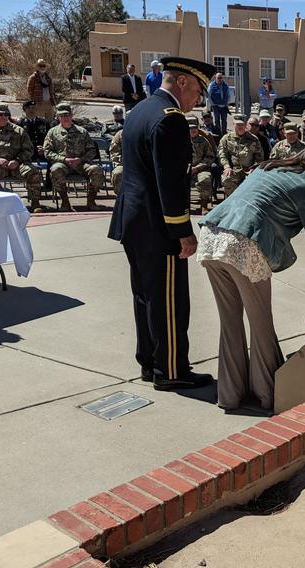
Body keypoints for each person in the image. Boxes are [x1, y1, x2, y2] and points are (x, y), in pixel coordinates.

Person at [197, 145, 305, 410]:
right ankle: (268, 395)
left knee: (229, 322)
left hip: (212, 238)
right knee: (261, 323)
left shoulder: (268, 168)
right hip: (246, 247)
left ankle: (229, 396)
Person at [107, 56, 217, 390]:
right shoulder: (170, 119)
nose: (198, 99)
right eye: (198, 90)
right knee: (170, 302)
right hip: (158, 227)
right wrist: (183, 232)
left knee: (145, 297)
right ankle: (171, 370)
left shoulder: (141, 110)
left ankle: (150, 362)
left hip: (134, 222)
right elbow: (170, 183)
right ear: (182, 82)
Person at [0, 103, 43, 211]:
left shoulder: (18, 131)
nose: (3, 117)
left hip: (17, 164)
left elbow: (29, 150)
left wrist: (17, 161)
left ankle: (35, 202)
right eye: (0, 114)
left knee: (33, 171)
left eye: (6, 114)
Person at [43, 103, 104, 211]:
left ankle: (91, 201)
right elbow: (47, 151)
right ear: (58, 117)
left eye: (67, 115)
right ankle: (65, 202)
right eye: (62, 116)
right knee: (55, 169)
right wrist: (64, 159)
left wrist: (81, 159)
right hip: (63, 163)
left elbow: (92, 150)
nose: (65, 118)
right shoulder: (52, 132)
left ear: (71, 116)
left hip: (81, 163)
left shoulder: (82, 131)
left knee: (96, 170)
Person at [218, 113, 264, 197]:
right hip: (233, 169)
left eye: (242, 124)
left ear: (246, 125)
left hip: (249, 170)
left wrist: (254, 168)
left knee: (253, 183)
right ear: (233, 124)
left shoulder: (254, 139)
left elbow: (259, 158)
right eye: (238, 124)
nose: (240, 127)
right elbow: (222, 154)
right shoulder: (226, 139)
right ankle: (230, 202)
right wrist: (227, 167)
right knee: (227, 179)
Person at [187, 116, 217, 214]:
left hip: (201, 169)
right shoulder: (180, 141)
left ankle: (203, 206)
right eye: (190, 128)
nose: (193, 130)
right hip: (185, 169)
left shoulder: (204, 141)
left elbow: (210, 157)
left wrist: (197, 167)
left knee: (205, 178)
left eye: (195, 128)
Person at [110, 129, 124, 195]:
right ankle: (120, 197)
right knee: (117, 173)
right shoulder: (121, 134)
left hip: (144, 164)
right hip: (124, 164)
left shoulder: (147, 131)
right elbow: (114, 152)